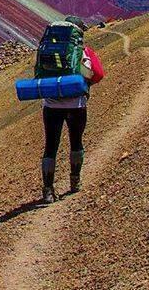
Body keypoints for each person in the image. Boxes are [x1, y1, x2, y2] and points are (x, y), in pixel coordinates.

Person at [41, 15, 93, 204]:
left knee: (50, 146)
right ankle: (74, 181)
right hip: (76, 105)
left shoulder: (47, 50)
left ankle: (47, 190)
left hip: (51, 105)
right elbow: (93, 74)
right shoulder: (82, 52)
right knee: (76, 141)